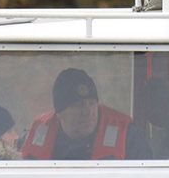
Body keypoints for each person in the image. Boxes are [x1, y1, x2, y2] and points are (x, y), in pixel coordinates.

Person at [20, 68, 151, 161]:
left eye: (92, 103)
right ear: (59, 113)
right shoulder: (34, 137)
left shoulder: (129, 138)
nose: (87, 112)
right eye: (78, 105)